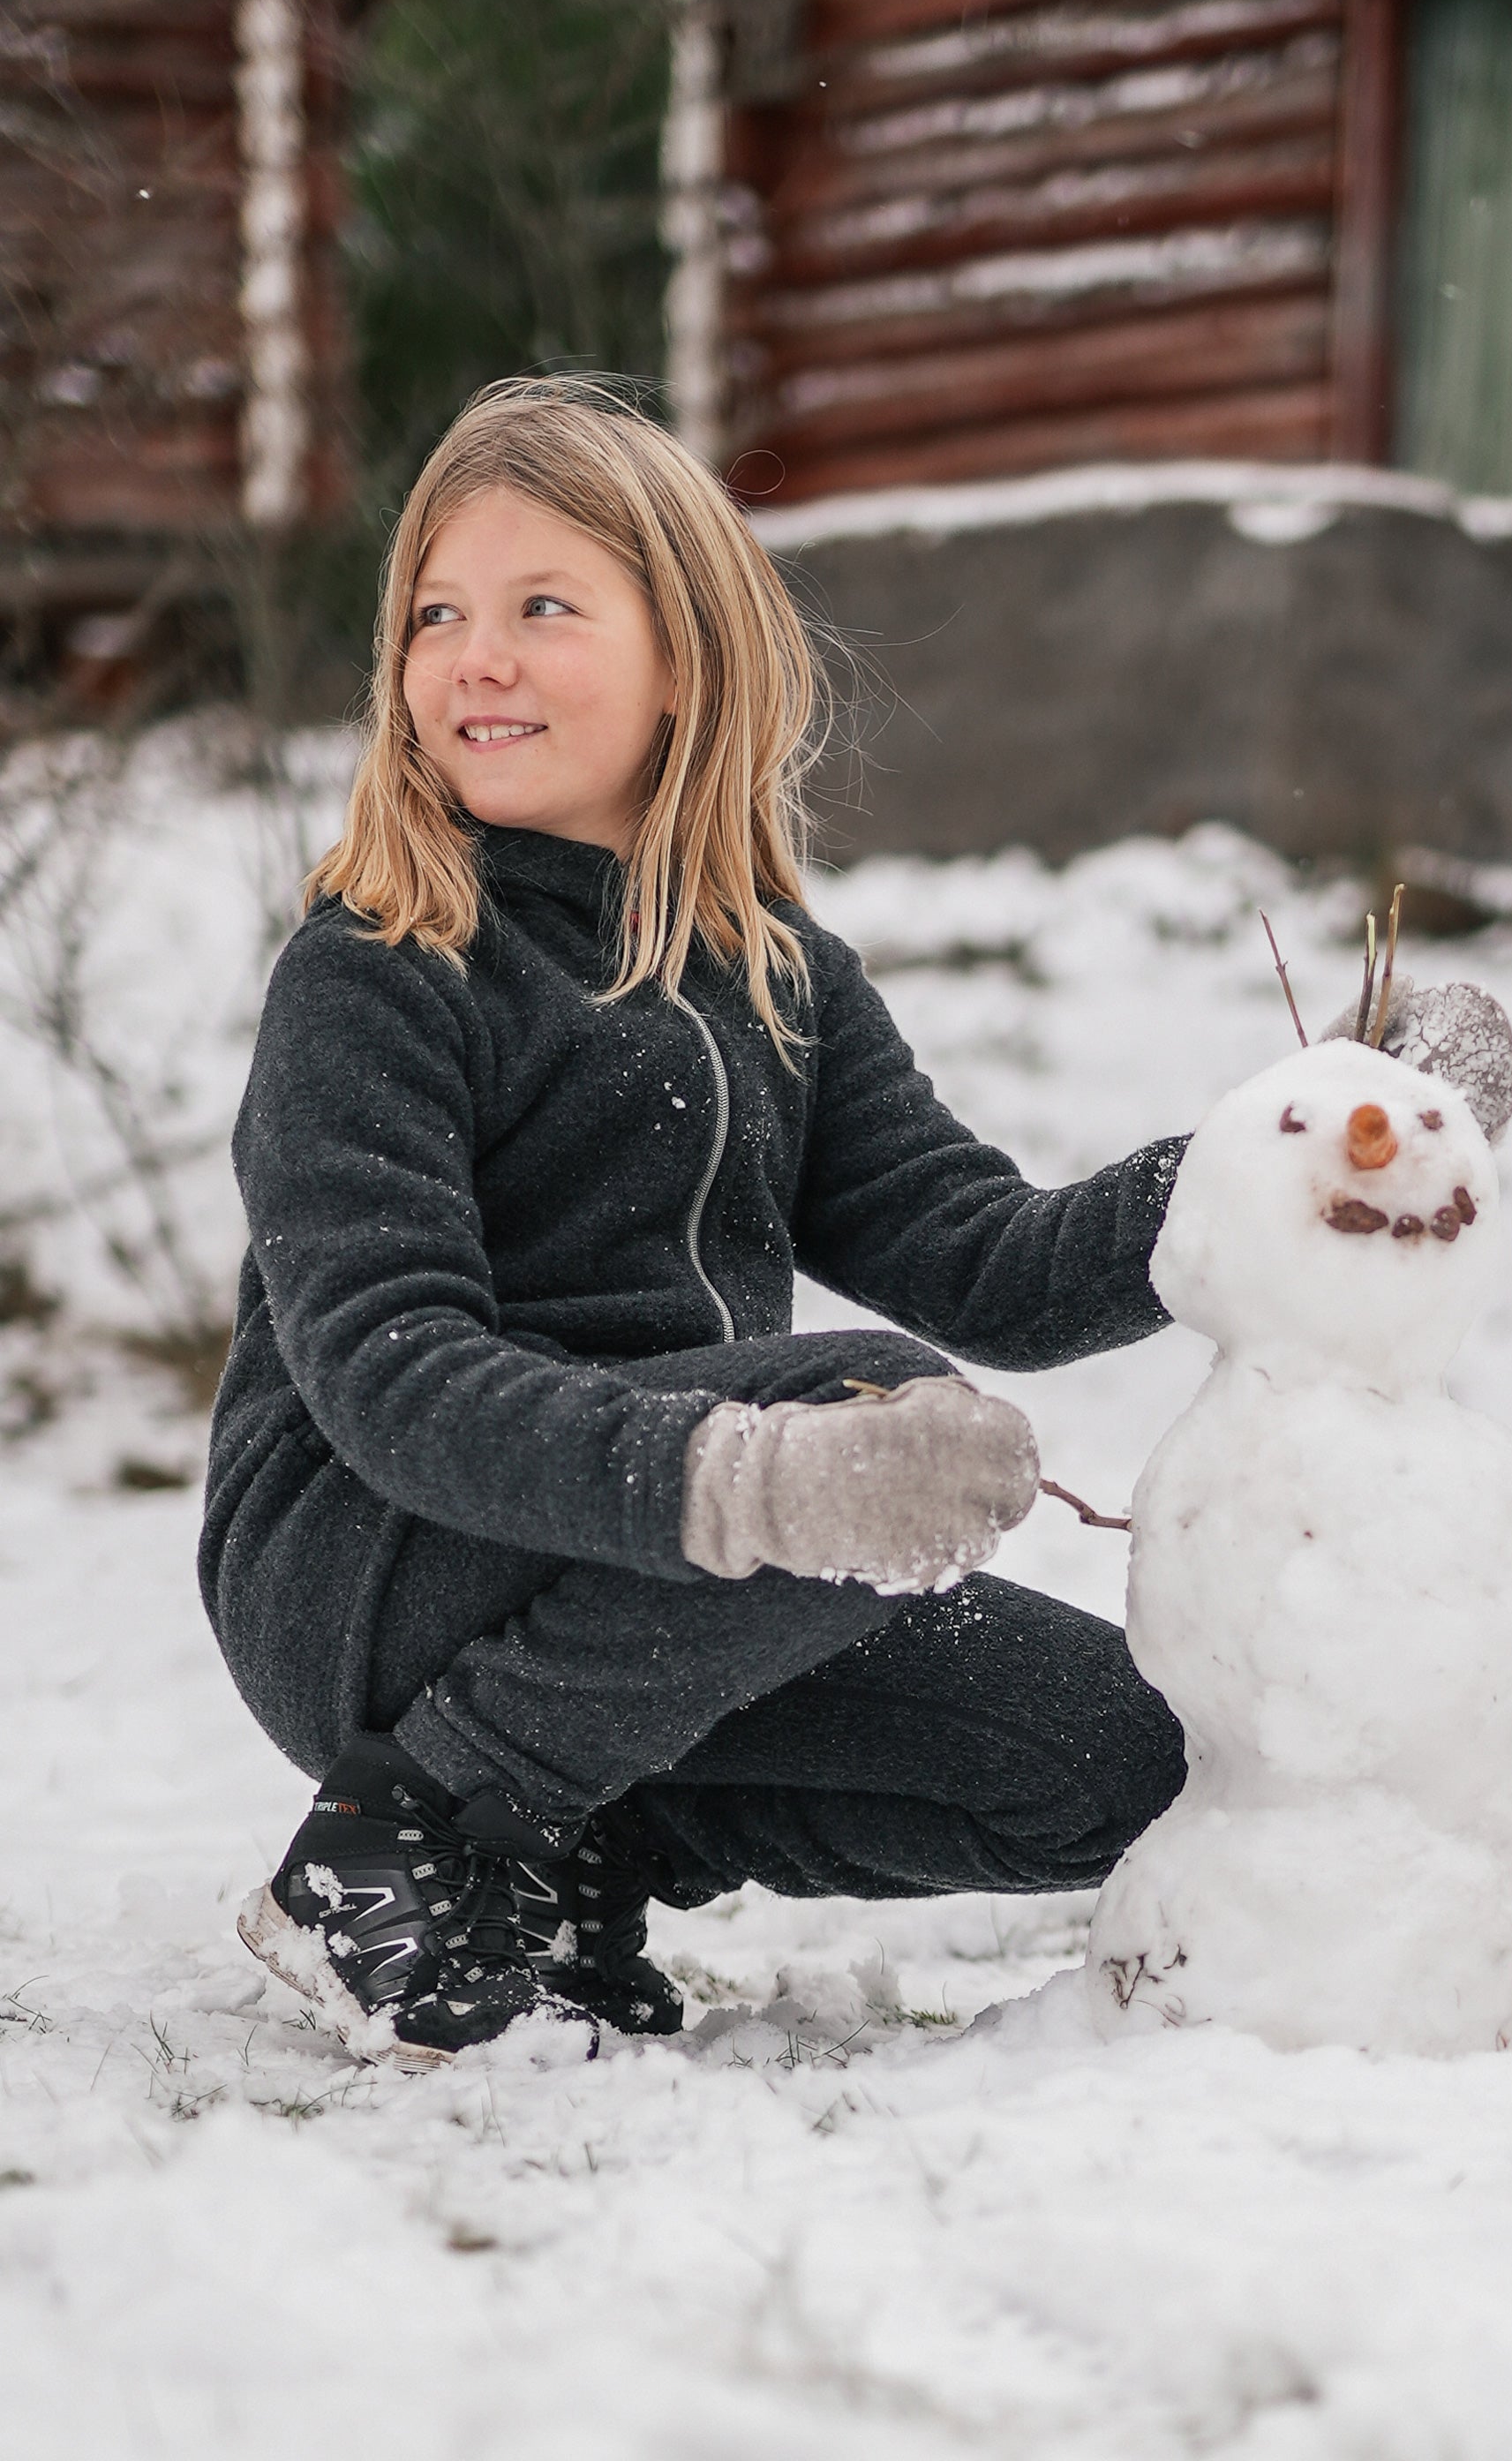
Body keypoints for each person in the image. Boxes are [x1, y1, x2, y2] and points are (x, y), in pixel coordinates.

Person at [199, 376, 1192, 2067]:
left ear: (688, 657)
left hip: (684, 1575)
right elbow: (389, 1371)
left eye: (540, 609)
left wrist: (1271, 1175)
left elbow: (986, 1261)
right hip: (368, 1561)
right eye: (436, 614)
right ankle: (412, 1826)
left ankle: (585, 1860)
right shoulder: (379, 967)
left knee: (1125, 1758)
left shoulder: (774, 971)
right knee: (866, 1404)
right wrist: (742, 1478)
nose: (474, 657)